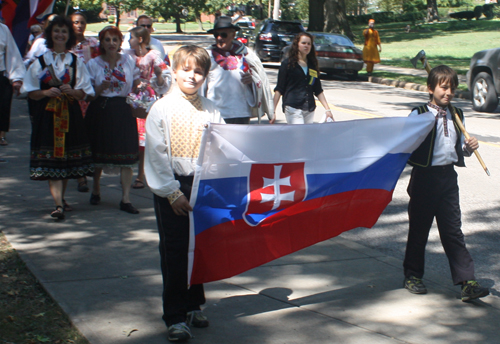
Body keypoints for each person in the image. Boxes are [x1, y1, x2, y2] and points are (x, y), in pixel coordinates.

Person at [144, 45, 224, 342]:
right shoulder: (161, 108)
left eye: (199, 71)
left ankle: (194, 304)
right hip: (173, 188)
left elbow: (223, 146)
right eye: (187, 70)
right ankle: (175, 316)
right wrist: (171, 192)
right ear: (174, 70)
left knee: (200, 246)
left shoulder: (212, 109)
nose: (192, 76)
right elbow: (156, 154)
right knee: (176, 250)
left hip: (203, 185)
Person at [403, 65, 489, 302]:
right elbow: (404, 144)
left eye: (452, 88)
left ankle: (467, 282)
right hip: (424, 178)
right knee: (419, 230)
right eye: (443, 87)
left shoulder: (457, 115)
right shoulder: (419, 113)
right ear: (431, 89)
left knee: (453, 231)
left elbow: (458, 147)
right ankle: (412, 275)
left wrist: (468, 148)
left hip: (448, 179)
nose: (448, 92)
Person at [21, 15, 95, 219]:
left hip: (70, 115)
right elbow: (30, 91)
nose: (60, 34)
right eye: (56, 31)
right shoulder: (41, 61)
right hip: (48, 115)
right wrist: (46, 93)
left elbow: (85, 92)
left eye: (64, 31)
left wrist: (72, 91)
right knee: (53, 158)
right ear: (50, 34)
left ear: (69, 35)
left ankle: (60, 200)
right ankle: (58, 205)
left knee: (65, 159)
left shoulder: (76, 61)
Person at [85, 26, 141, 214]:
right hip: (101, 108)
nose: (111, 43)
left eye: (115, 40)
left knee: (126, 152)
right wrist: (100, 87)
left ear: (120, 42)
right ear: (101, 42)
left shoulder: (129, 61)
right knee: (99, 152)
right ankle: (96, 188)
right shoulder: (93, 64)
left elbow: (135, 82)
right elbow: (88, 94)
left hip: (122, 109)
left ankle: (125, 198)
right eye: (107, 40)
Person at [201, 16, 274, 124]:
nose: (219, 38)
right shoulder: (207, 56)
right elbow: (200, 85)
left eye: (224, 34)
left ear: (233, 35)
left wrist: (251, 80)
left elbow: (260, 79)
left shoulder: (245, 54)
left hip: (241, 111)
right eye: (216, 35)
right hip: (216, 111)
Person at [126, 26, 171, 189]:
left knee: (144, 138)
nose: (128, 41)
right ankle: (128, 171)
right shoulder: (127, 56)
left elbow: (165, 79)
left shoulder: (153, 55)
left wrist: (158, 76)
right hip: (130, 95)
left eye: (131, 37)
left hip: (147, 97)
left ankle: (141, 174)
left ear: (139, 39)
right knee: (131, 136)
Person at [273, 32, 333, 124]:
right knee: (299, 136)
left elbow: (318, 89)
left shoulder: (312, 65)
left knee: (306, 137)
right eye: (303, 43)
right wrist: (272, 110)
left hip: (309, 108)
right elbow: (279, 88)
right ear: (297, 44)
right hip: (293, 107)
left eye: (309, 44)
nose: (306, 46)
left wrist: (327, 109)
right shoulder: (287, 64)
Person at [70, 11, 99, 193]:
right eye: (75, 22)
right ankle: (80, 177)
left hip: (90, 95)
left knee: (90, 134)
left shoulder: (93, 44)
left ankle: (91, 171)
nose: (79, 26)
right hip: (73, 95)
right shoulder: (66, 45)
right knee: (76, 134)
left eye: (81, 22)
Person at [0, 21, 25, 146]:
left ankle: (1, 135)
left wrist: (16, 79)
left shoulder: (3, 29)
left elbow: (12, 54)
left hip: (1, 75)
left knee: (3, 106)